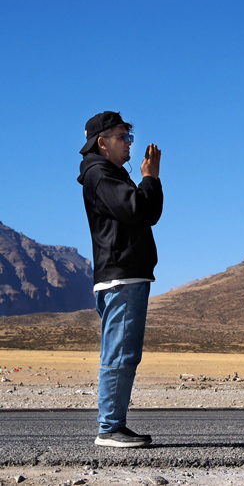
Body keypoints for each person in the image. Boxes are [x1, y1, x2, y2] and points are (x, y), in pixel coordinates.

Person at [77, 111, 163, 448]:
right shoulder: (100, 175)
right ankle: (110, 427)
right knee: (118, 353)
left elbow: (147, 214)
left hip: (128, 275)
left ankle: (115, 424)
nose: (129, 143)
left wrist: (148, 180)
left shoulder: (111, 175)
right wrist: (150, 178)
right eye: (122, 136)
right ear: (103, 142)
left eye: (130, 136)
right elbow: (138, 209)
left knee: (125, 352)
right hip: (121, 276)